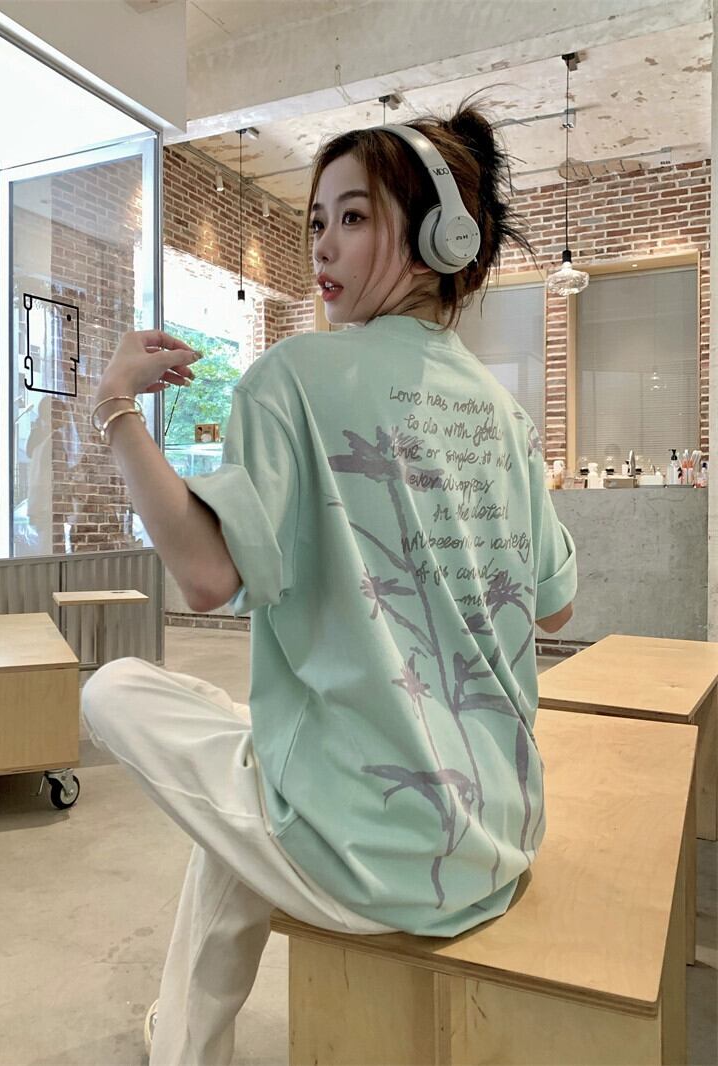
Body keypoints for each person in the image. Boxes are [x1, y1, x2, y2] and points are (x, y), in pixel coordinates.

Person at [82, 95, 577, 1066]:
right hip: (495, 837)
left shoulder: (294, 376)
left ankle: (184, 1048)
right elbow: (556, 603)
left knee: (114, 690)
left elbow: (205, 577)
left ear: (436, 237)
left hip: (363, 852)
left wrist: (114, 408)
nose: (321, 245)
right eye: (316, 221)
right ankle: (183, 1046)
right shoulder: (506, 416)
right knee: (246, 784)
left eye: (352, 216)